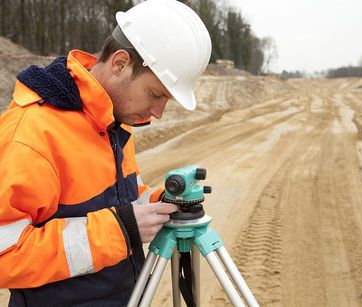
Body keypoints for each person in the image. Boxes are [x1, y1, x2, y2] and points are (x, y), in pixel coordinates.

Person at [0, 0, 211, 306]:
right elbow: (6, 254)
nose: (159, 112)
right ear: (120, 63)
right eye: (155, 94)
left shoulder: (114, 121)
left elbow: (120, 200)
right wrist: (120, 228)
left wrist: (158, 204)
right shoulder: (32, 133)